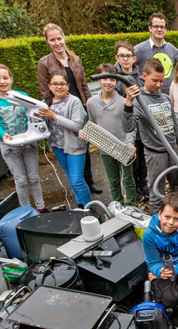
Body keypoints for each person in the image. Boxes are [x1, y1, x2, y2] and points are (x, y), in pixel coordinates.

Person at [37, 23, 102, 194]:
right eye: (52, 40)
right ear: (47, 42)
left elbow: (83, 85)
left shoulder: (75, 59)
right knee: (72, 147)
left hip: (79, 107)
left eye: (59, 38)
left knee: (85, 147)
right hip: (61, 110)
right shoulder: (44, 63)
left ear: (64, 38)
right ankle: (80, 184)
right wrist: (52, 113)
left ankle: (89, 181)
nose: (57, 43)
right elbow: (45, 90)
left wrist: (89, 106)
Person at [123, 57, 178, 215]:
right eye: (155, 80)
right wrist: (128, 103)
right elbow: (128, 127)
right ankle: (154, 224)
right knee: (156, 192)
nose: (159, 85)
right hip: (155, 154)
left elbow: (175, 126)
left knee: (177, 188)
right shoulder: (139, 101)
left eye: (162, 81)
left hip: (173, 151)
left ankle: (176, 217)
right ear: (144, 76)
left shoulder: (165, 98)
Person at [0, 64, 47, 213]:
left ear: (11, 79)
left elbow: (33, 113)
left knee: (33, 178)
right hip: (9, 145)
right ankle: (25, 210)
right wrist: (2, 134)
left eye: (5, 78)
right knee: (21, 180)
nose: (2, 81)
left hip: (28, 142)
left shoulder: (21, 95)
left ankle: (41, 206)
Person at [85, 63, 137, 207]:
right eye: (105, 78)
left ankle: (132, 205)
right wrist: (87, 135)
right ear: (99, 80)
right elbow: (92, 124)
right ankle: (117, 205)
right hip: (106, 149)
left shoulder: (123, 102)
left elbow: (131, 127)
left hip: (123, 147)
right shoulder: (91, 103)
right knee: (113, 180)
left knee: (128, 179)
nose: (108, 82)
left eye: (112, 79)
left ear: (117, 81)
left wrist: (130, 144)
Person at [37, 71, 90, 208]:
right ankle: (80, 204)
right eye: (55, 84)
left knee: (77, 179)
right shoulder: (45, 102)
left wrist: (54, 116)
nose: (58, 87)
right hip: (57, 146)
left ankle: (90, 207)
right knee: (70, 178)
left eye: (62, 84)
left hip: (75, 146)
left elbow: (77, 126)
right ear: (49, 86)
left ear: (68, 86)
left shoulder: (74, 101)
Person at [143, 192, 178, 310]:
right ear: (159, 214)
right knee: (169, 299)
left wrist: (173, 271)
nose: (171, 222)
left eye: (177, 219)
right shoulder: (149, 235)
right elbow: (153, 263)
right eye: (167, 217)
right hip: (161, 268)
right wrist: (158, 271)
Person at [114, 40, 149, 201]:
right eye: (122, 56)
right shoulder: (114, 80)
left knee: (142, 159)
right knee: (131, 160)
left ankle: (143, 184)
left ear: (134, 58)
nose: (125, 59)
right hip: (127, 126)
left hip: (141, 126)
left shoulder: (140, 78)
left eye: (128, 56)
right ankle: (133, 188)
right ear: (117, 58)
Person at [134, 12, 178, 95]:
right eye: (156, 26)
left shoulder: (171, 48)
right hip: (149, 97)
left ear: (166, 29)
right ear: (150, 28)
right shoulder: (140, 49)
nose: (159, 29)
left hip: (170, 97)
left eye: (162, 27)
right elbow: (123, 64)